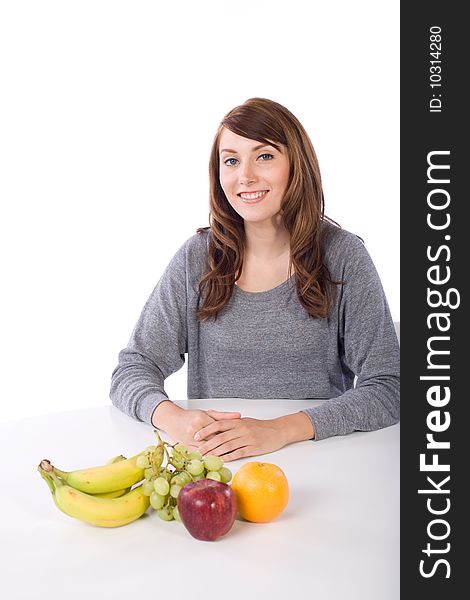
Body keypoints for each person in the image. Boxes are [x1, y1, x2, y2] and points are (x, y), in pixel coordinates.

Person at [110, 97, 400, 462]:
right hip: (220, 465)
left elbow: (390, 387)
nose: (245, 176)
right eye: (231, 160)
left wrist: (278, 430)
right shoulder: (196, 258)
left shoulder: (343, 255)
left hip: (319, 458)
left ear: (296, 164)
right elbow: (133, 368)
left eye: (264, 156)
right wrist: (176, 420)